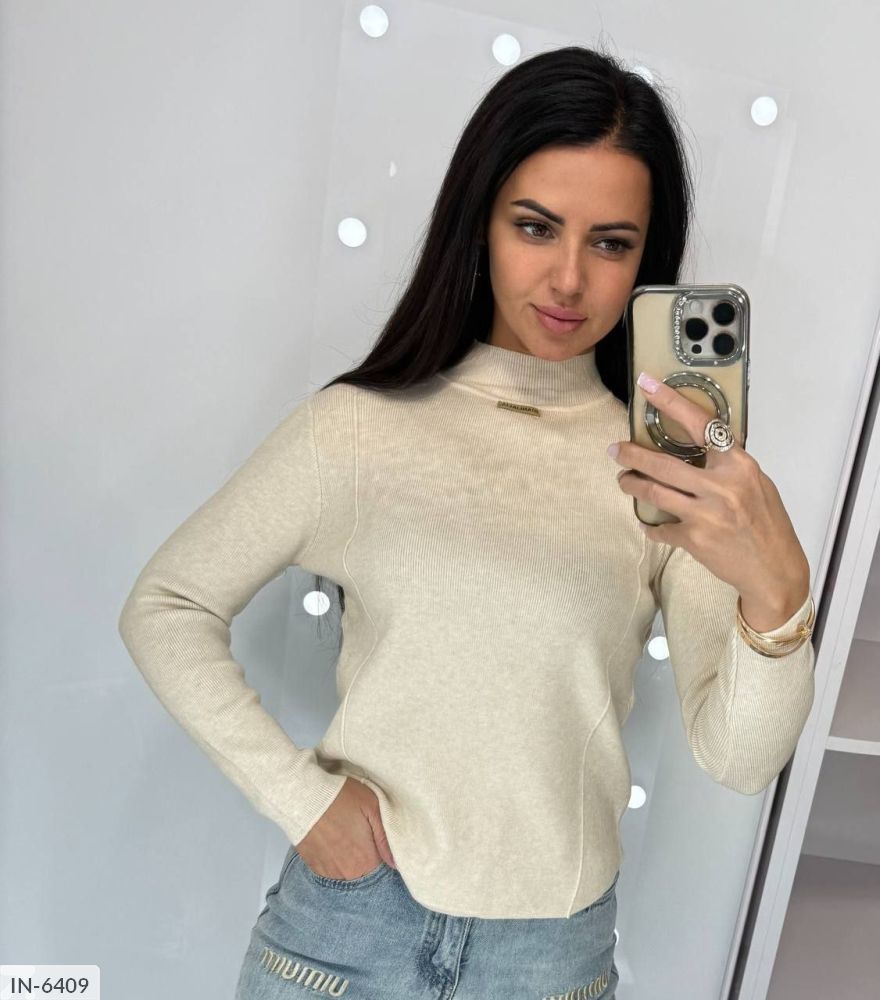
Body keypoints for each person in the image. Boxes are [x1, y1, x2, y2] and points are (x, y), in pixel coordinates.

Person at [118, 44, 816, 1000]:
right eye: (536, 227)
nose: (568, 279)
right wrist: (302, 801)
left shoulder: (661, 471)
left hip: (551, 959)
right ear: (478, 220)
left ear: (646, 262)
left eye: (611, 243)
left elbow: (739, 759)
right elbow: (166, 605)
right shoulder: (358, 430)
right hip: (344, 939)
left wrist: (780, 594)